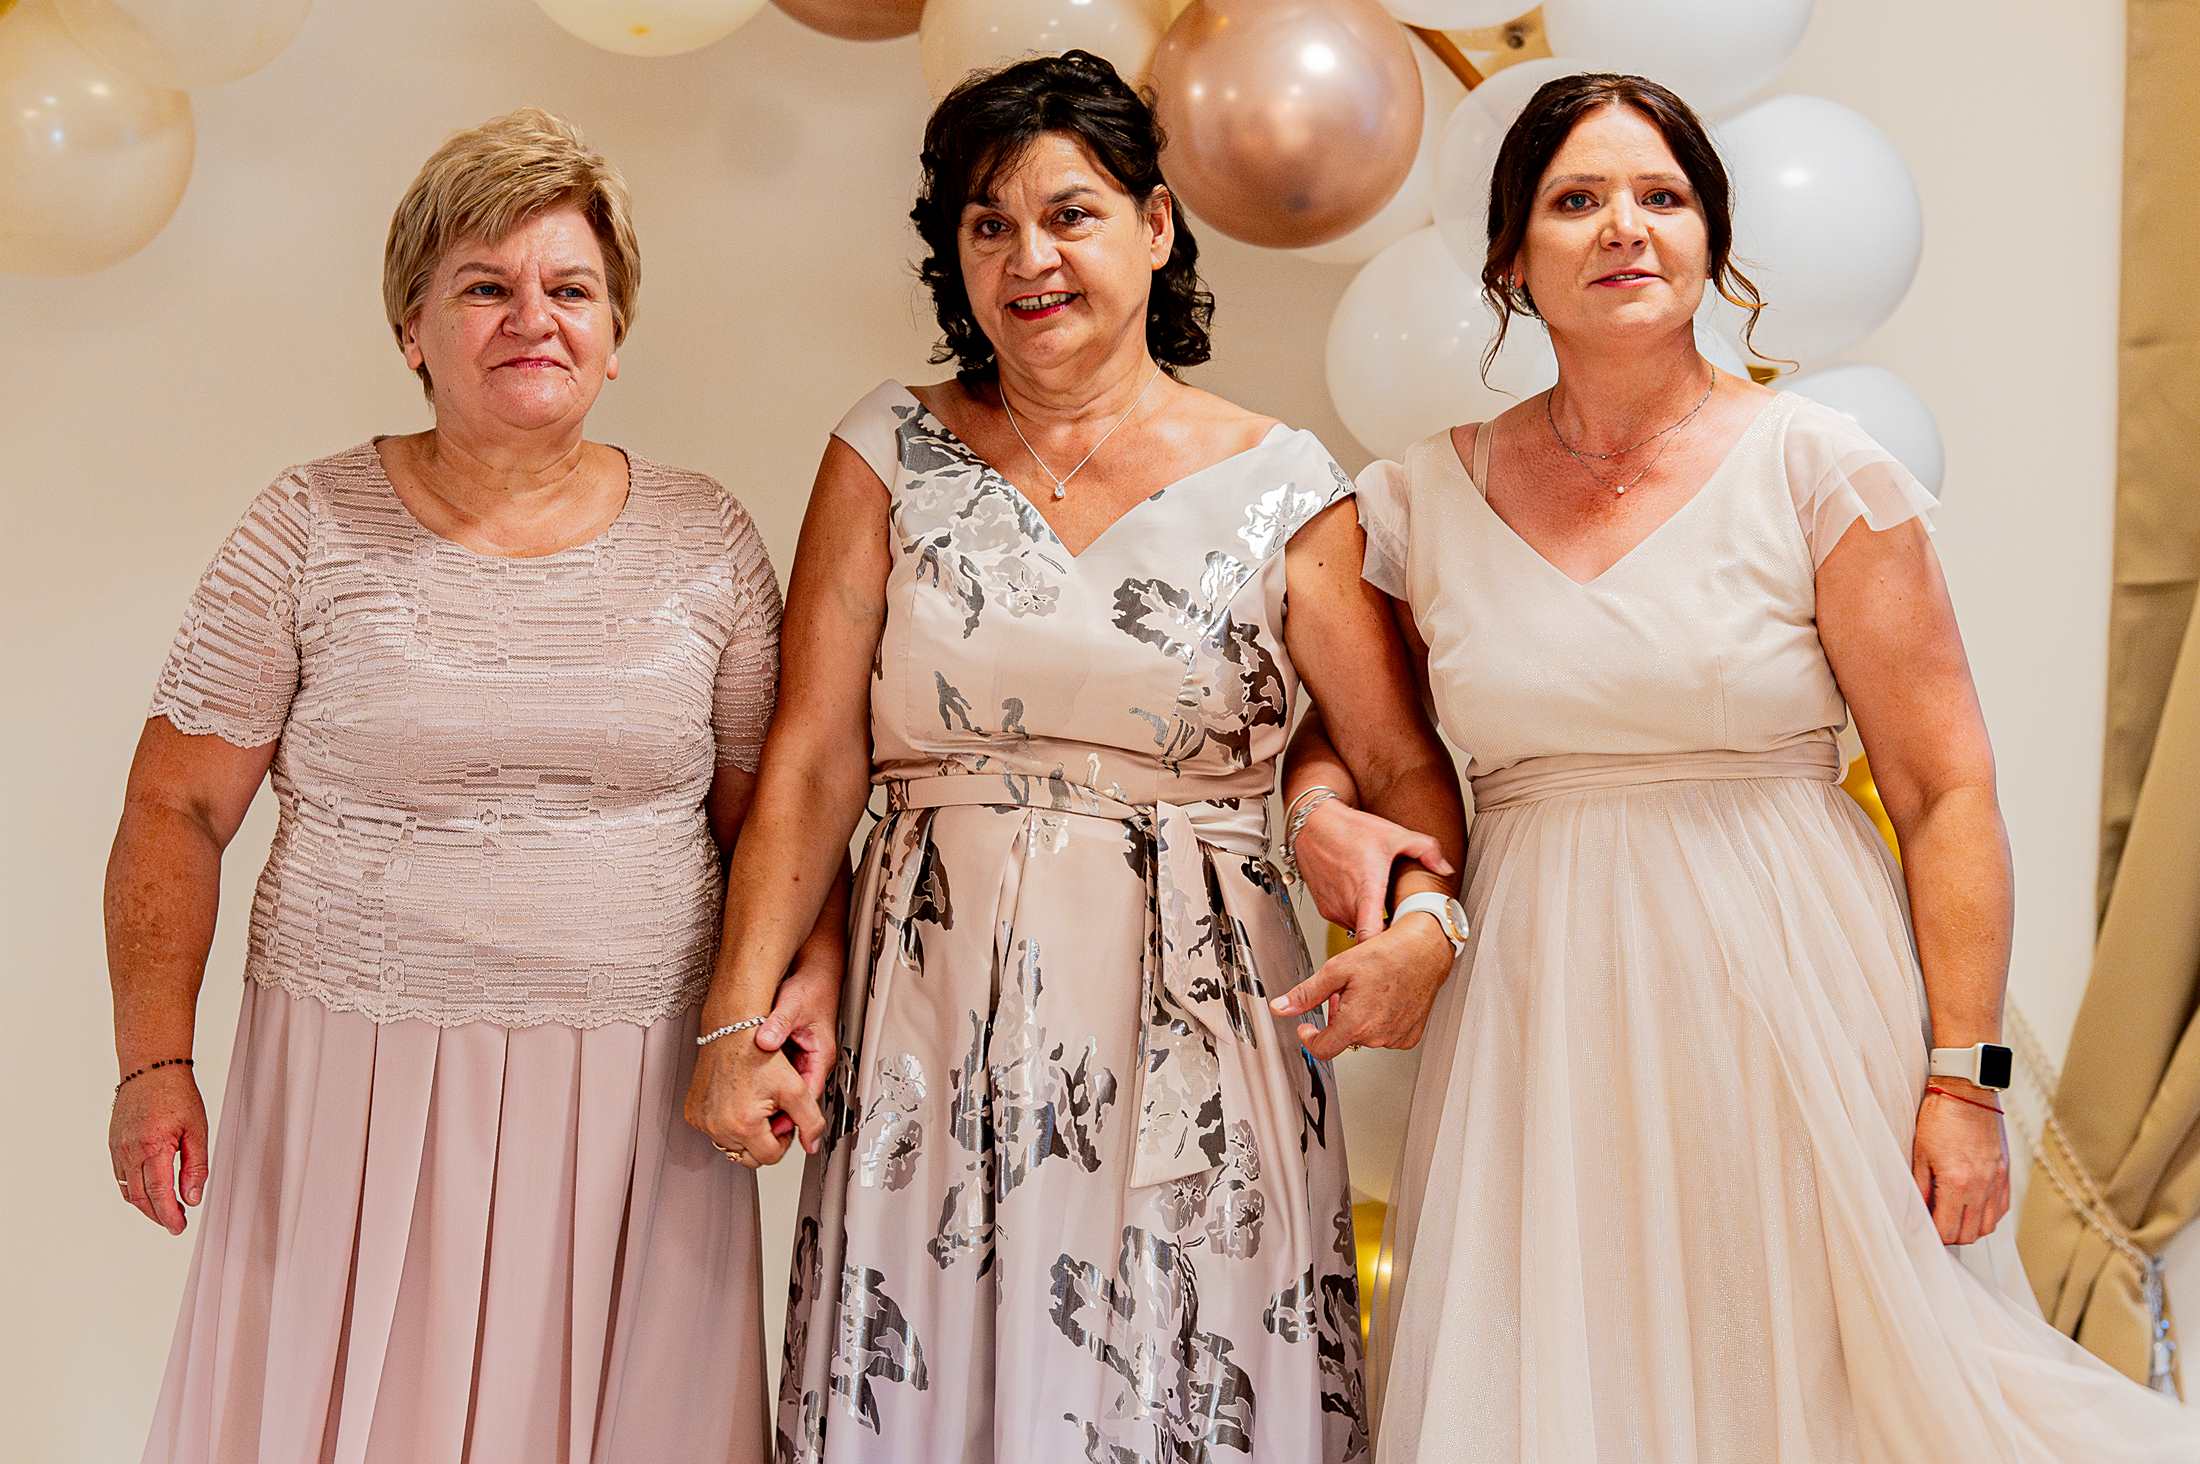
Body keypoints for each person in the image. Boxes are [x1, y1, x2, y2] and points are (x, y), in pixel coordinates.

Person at [1281, 71, 2200, 1462]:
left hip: (1795, 994)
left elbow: (1947, 791)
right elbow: (1349, 728)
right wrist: (1316, 810)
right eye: (1576, 201)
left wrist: (1966, 1084)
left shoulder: (1818, 468)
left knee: (1829, 1387)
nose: (1623, 228)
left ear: (1711, 239)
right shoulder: (1422, 499)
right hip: (1540, 1012)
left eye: (1661, 196)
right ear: (1511, 260)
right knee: (1574, 1384)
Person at [680, 51, 1465, 1464]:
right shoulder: (885, 451)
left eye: (1070, 215)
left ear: (1156, 227)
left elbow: (1403, 766)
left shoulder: (1285, 485)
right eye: (988, 225)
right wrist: (735, 1022)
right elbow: (810, 759)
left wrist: (1421, 934)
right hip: (931, 1014)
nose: (1029, 259)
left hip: (1199, 1029)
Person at [107, 107, 826, 1463]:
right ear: (412, 329)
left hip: (638, 1096)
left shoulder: (708, 539)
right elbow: (174, 809)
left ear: (614, 335)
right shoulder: (304, 527)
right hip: (351, 1080)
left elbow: (772, 827)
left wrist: (763, 1032)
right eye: (485, 287)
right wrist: (154, 1061)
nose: (532, 319)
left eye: (570, 290)